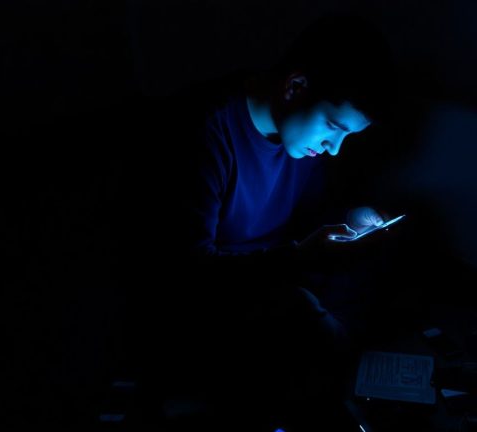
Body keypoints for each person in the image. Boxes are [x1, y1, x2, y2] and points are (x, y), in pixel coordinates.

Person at [127, 13, 396, 430]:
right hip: (202, 303)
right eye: (333, 127)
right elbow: (186, 274)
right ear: (295, 86)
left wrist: (356, 220)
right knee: (304, 325)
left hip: (273, 278)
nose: (334, 148)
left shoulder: (301, 139)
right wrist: (298, 261)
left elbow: (315, 213)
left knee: (369, 284)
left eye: (347, 136)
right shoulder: (205, 132)